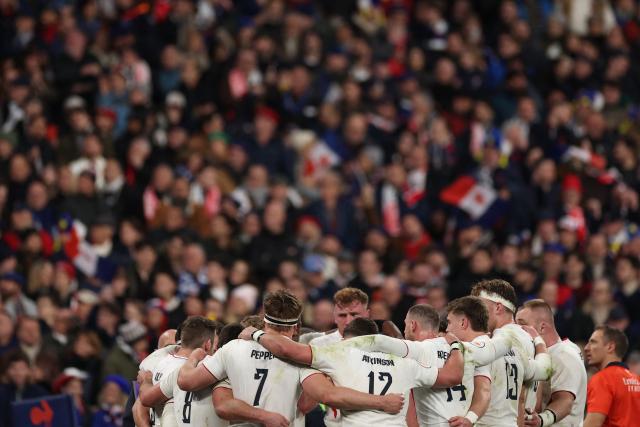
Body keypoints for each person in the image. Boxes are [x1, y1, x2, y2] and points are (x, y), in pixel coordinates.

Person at [177, 290, 404, 426]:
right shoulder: (302, 357)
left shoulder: (233, 348)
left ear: (264, 321)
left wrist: (191, 358)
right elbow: (318, 399)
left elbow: (187, 382)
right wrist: (382, 401)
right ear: (296, 326)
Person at [239, 316, 464, 426]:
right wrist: (455, 345)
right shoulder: (406, 364)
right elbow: (453, 376)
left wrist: (256, 334)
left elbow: (286, 349)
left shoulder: (338, 354)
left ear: (349, 338)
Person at [470, 279, 552, 427]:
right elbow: (538, 391)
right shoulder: (526, 337)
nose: (475, 313)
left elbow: (520, 397)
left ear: (498, 308)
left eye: (479, 306)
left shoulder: (503, 340)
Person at [516, 299, 587, 427]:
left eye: (522, 324)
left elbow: (565, 401)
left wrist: (541, 420)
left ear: (542, 327)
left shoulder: (564, 355)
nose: (518, 330)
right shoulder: (541, 355)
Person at [584, 325, 640, 427]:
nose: (586, 348)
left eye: (593, 342)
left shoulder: (602, 380)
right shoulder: (637, 380)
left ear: (610, 347)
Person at [0, 350, 48, 426]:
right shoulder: (2, 393)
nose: (18, 373)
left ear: (29, 370)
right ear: (7, 371)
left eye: (22, 368)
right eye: (13, 368)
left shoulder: (39, 392)